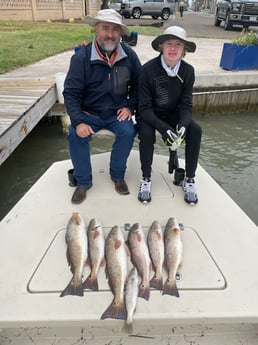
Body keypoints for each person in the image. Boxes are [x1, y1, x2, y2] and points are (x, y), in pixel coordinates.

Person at [63, 9, 142, 204]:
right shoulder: (81, 59)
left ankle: (117, 176)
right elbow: (71, 93)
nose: (110, 34)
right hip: (88, 113)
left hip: (117, 113)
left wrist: (130, 108)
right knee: (75, 135)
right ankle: (83, 182)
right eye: (105, 28)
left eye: (115, 30)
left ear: (120, 33)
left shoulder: (130, 56)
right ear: (96, 29)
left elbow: (139, 87)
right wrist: (78, 121)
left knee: (128, 132)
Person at [136, 26, 202, 205]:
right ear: (161, 47)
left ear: (184, 49)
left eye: (178, 44)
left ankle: (189, 179)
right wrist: (164, 129)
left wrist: (182, 125)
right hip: (150, 114)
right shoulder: (147, 69)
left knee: (195, 130)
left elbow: (186, 105)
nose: (173, 49)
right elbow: (143, 108)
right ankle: (146, 178)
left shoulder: (188, 71)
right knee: (147, 134)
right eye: (169, 44)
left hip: (173, 114)